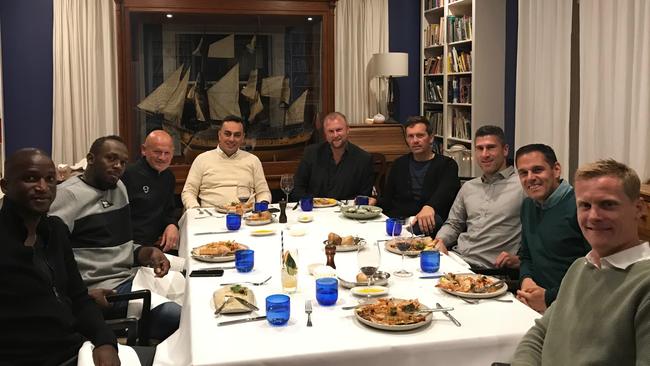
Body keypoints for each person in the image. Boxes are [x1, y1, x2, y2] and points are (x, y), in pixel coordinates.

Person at [0, 148, 137, 365]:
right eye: (30, 178)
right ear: (5, 186)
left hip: (75, 347)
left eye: (50, 179)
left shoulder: (55, 231)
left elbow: (78, 297)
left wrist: (105, 341)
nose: (43, 187)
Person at [512, 159, 650, 365]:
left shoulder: (644, 284)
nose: (593, 216)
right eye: (585, 205)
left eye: (608, 204)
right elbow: (539, 333)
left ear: (638, 209)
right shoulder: (580, 266)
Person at [49, 135, 180, 342]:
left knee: (192, 292)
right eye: (110, 159)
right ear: (90, 159)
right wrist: (81, 295)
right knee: (181, 318)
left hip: (131, 277)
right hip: (105, 292)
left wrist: (147, 253)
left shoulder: (118, 188)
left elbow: (121, 244)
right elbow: (49, 259)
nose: (117, 166)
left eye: (122, 162)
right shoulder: (67, 197)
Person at [435, 125, 526, 270]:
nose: (484, 154)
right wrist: (440, 241)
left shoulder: (522, 186)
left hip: (488, 271)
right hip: (456, 260)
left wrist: (521, 261)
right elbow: (454, 223)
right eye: (480, 148)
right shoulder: (469, 187)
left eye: (490, 148)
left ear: (505, 150)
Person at [514, 144, 590, 313]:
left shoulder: (582, 208)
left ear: (556, 170)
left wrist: (548, 297)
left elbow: (595, 272)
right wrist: (526, 280)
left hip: (573, 306)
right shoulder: (528, 206)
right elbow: (526, 256)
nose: (530, 178)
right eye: (523, 173)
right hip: (533, 302)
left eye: (537, 170)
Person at [372, 116, 460, 236]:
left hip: (430, 221)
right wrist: (373, 201)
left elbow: (446, 194)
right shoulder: (399, 164)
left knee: (428, 222)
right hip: (400, 220)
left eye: (420, 135)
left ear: (431, 138)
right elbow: (388, 200)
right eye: (410, 136)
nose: (415, 140)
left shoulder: (447, 165)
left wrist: (430, 206)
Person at [181, 115, 271, 209]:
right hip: (210, 217)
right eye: (227, 134)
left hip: (246, 215)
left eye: (237, 135)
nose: (232, 139)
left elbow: (263, 192)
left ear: (243, 138)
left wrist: (262, 207)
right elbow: (189, 192)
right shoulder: (202, 159)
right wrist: (196, 210)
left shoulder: (253, 160)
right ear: (219, 135)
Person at [292, 112, 374, 200]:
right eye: (331, 131)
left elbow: (365, 197)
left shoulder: (364, 159)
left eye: (339, 130)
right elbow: (297, 189)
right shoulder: (311, 153)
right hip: (315, 210)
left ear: (347, 130)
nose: (335, 135)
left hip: (347, 212)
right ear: (325, 134)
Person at [122, 130, 179, 252]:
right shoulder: (128, 175)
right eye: (157, 152)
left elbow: (169, 210)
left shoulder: (168, 176)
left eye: (167, 153)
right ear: (144, 150)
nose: (162, 158)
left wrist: (172, 225)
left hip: (160, 244)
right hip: (133, 247)